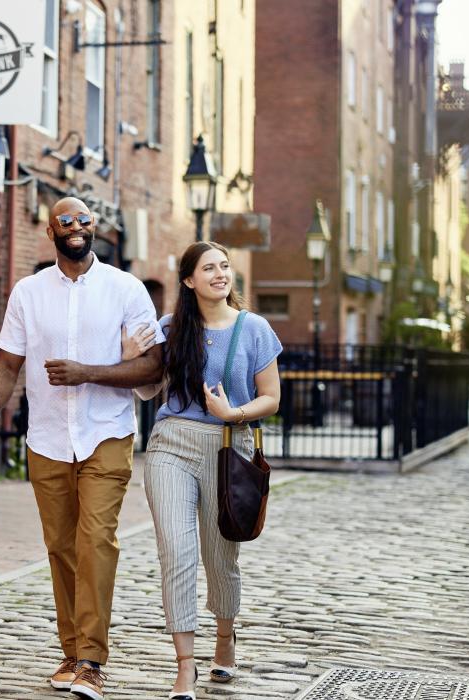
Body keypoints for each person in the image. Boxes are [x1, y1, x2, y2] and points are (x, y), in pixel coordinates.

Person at [0, 197, 164, 700]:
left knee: (96, 540)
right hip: (49, 438)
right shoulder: (28, 292)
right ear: (50, 231)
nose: (76, 228)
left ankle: (92, 661)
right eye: (65, 222)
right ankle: (72, 651)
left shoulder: (126, 289)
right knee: (60, 547)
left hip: (107, 433)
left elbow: (152, 368)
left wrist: (88, 373)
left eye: (83, 221)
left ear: (94, 228)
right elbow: (8, 362)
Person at [121, 241, 281, 700]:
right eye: (209, 268)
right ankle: (185, 666)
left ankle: (225, 639)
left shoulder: (255, 329)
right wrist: (131, 354)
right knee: (176, 551)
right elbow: (150, 392)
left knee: (221, 558)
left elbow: (271, 397)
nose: (220, 274)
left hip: (228, 449)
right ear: (189, 280)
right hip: (171, 446)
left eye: (225, 266)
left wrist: (234, 413)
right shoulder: (171, 328)